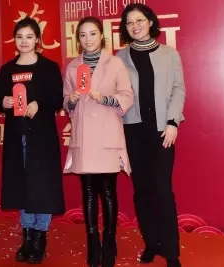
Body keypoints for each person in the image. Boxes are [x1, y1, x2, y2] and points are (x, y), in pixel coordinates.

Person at [116, 3, 185, 267]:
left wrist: (173, 122)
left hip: (162, 131)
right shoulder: (120, 57)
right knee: (142, 190)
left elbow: (178, 89)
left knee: (163, 190)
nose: (135, 26)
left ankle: (171, 252)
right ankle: (151, 242)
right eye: (130, 22)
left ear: (150, 22)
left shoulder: (169, 54)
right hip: (133, 130)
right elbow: (116, 93)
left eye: (140, 20)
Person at [63, 17, 133, 267]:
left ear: (101, 36)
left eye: (92, 33)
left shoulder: (115, 63)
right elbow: (66, 103)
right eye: (82, 35)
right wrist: (71, 100)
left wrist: (103, 98)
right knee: (89, 192)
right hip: (84, 137)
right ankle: (93, 240)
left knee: (109, 191)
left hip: (107, 135)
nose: (88, 39)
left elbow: (127, 96)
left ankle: (110, 241)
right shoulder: (72, 67)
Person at [0, 18, 65, 264]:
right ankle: (26, 236)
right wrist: (3, 102)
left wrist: (40, 103)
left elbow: (57, 99)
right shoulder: (7, 69)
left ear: (37, 39)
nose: (24, 41)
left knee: (42, 185)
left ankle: (40, 236)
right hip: (16, 136)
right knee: (21, 185)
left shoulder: (48, 67)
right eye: (19, 37)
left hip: (41, 137)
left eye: (29, 36)